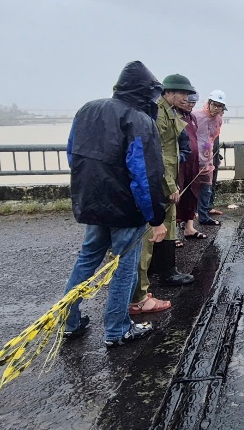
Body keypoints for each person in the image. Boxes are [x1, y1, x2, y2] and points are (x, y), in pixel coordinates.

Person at [62, 60, 167, 347]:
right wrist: (156, 217)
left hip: (92, 201)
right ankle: (117, 328)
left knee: (87, 260)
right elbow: (145, 175)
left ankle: (69, 321)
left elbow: (73, 154)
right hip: (125, 207)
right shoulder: (138, 120)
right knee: (124, 267)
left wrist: (89, 188)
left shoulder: (87, 110)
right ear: (146, 92)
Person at [130, 74, 197, 315]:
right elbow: (156, 153)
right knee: (151, 233)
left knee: (167, 224)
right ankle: (140, 290)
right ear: (168, 92)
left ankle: (166, 270)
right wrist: (170, 185)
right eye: (183, 94)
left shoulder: (169, 111)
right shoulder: (157, 113)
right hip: (160, 181)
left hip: (167, 178)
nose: (187, 98)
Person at [176, 92, 206, 246]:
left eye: (193, 103)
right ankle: (172, 233)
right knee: (177, 194)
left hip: (193, 161)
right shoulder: (174, 116)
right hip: (179, 162)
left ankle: (189, 227)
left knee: (192, 192)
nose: (190, 105)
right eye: (188, 102)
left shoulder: (192, 117)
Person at [194, 90, 226, 226]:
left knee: (207, 187)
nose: (216, 108)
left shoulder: (218, 119)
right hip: (193, 157)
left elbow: (212, 138)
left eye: (220, 106)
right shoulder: (194, 115)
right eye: (214, 105)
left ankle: (204, 215)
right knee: (191, 188)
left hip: (208, 158)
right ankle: (186, 219)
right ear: (209, 103)